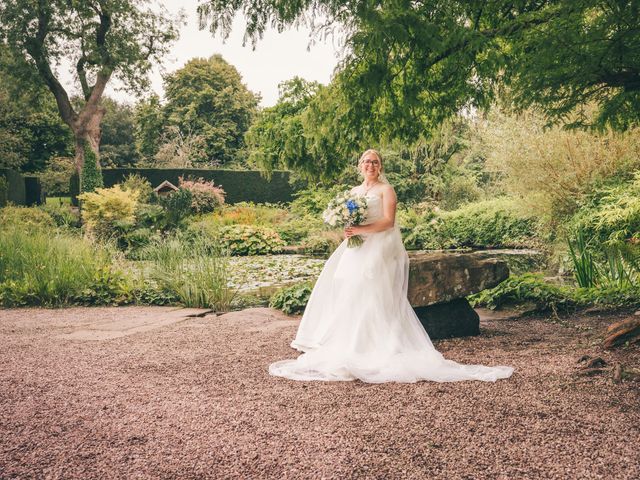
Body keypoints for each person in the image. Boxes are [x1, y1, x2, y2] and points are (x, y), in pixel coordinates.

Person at [269, 149, 514, 383]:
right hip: (357, 245)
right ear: (360, 166)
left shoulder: (387, 190)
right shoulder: (353, 191)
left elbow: (388, 222)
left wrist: (361, 230)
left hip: (379, 246)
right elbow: (352, 219)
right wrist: (348, 229)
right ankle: (347, 339)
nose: (370, 165)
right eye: (366, 161)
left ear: (380, 166)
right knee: (343, 281)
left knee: (370, 285)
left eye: (375, 162)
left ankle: (374, 343)